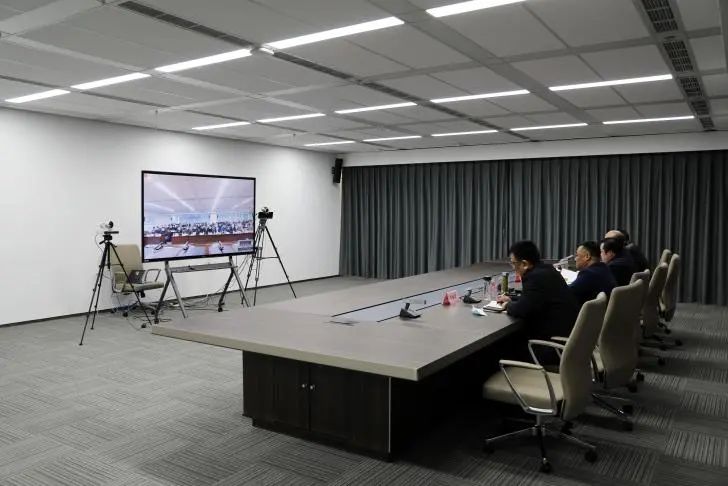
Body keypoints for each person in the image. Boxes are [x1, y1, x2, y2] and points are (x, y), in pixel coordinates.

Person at [496, 241, 579, 340]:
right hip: (568, 333)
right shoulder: (547, 269)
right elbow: (534, 299)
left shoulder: (534, 277)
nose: (513, 267)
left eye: (513, 263)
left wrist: (507, 305)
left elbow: (522, 310)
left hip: (552, 339)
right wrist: (511, 298)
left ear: (524, 264)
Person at [570, 241, 616, 305]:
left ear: (587, 256)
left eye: (577, 255)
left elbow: (568, 294)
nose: (575, 259)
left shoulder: (588, 274)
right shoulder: (604, 268)